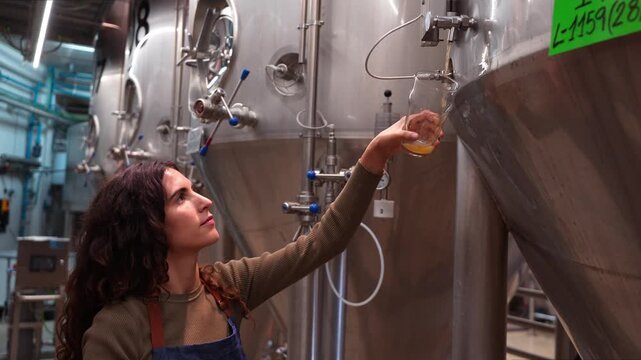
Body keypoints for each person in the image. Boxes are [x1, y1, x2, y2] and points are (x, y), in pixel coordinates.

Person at [56, 113, 443, 360]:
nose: (205, 201)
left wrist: (375, 153)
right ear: (147, 225)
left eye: (196, 189)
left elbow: (323, 241)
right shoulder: (121, 327)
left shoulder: (226, 288)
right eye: (181, 198)